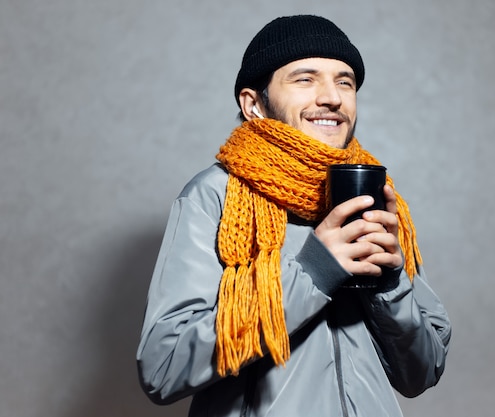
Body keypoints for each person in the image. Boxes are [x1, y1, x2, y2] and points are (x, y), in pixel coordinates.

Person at [137, 14, 451, 417]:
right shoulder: (215, 196)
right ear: (254, 104)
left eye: (345, 81)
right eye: (305, 79)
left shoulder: (375, 196)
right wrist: (315, 269)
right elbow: (163, 367)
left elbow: (421, 373)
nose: (332, 97)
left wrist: (389, 285)